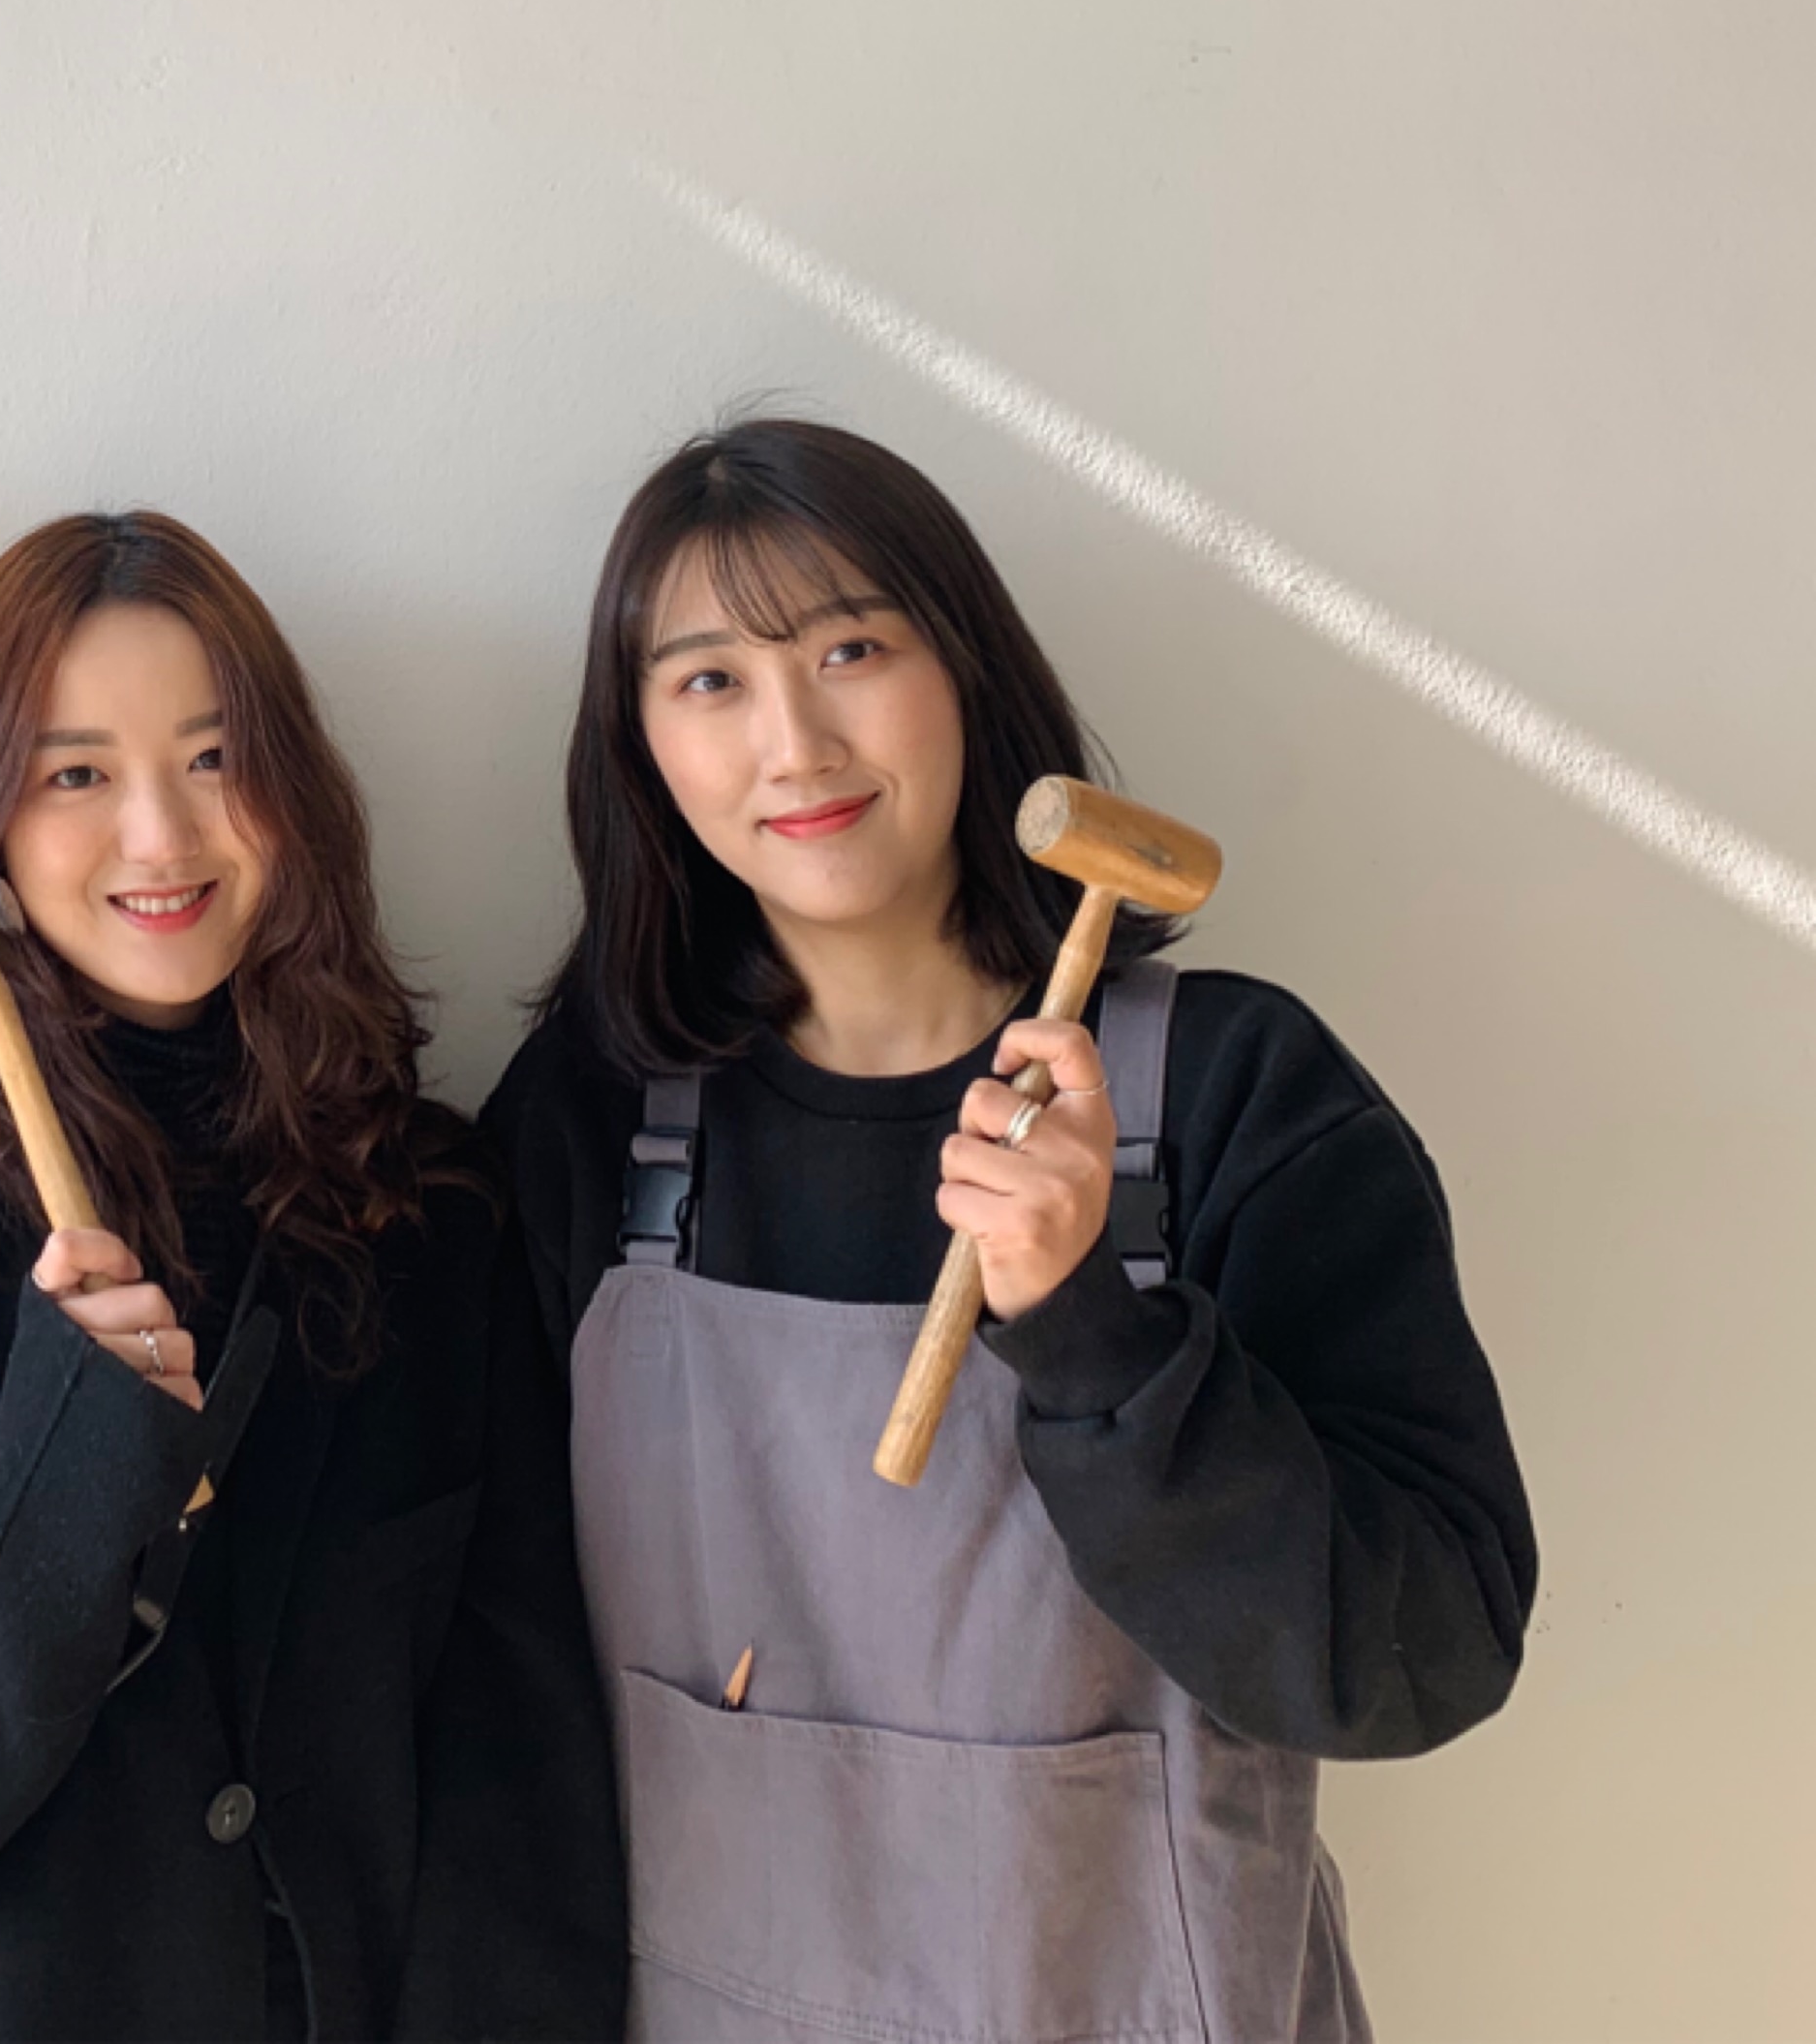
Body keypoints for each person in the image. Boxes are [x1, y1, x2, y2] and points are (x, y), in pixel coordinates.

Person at [484, 418, 1538, 2044]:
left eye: (850, 648)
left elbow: (1425, 1656)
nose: (793, 740)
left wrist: (1089, 1332)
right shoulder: (590, 1120)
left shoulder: (1231, 1091)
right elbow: (485, 1688)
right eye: (708, 679)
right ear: (639, 744)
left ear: (965, 669)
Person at [0, 510, 625, 2042]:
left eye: (216, 758)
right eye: (75, 773)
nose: (161, 836)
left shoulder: (423, 1207)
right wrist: (50, 1493)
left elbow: (523, 1757)